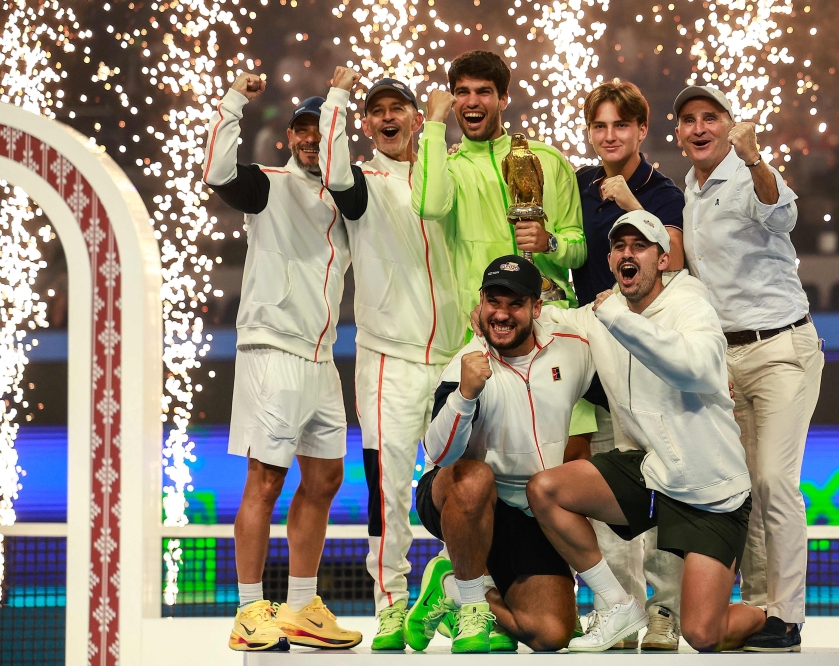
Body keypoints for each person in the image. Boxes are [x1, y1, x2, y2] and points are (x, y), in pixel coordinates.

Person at [526, 210, 765, 653]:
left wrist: (617, 317)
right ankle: (617, 604)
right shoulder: (605, 310)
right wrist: (497, 315)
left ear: (663, 258)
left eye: (639, 246)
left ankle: (771, 618)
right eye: (619, 247)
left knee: (702, 634)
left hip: (709, 487)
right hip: (648, 470)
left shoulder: (689, 302)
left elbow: (697, 369)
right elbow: (549, 324)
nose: (627, 254)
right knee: (545, 489)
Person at [202, 73, 361, 652]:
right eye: (302, 131)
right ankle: (248, 610)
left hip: (322, 357)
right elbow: (217, 172)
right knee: (265, 478)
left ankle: (298, 608)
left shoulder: (348, 200)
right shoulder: (269, 186)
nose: (311, 141)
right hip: (273, 348)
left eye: (322, 133)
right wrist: (234, 102)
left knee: (325, 477)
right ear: (290, 138)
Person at [316, 67, 464, 650]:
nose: (385, 117)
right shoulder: (360, 182)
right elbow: (330, 171)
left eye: (395, 107)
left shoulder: (445, 170)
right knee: (389, 486)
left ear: (412, 113)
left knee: (463, 484)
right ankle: (392, 601)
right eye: (374, 111)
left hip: (456, 355)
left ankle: (459, 596)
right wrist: (337, 97)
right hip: (389, 361)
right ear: (367, 124)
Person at [673, 85, 823, 652]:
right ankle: (761, 608)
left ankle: (787, 614)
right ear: (679, 132)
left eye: (710, 117)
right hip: (728, 359)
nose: (699, 127)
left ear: (730, 125)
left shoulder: (749, 171)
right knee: (749, 490)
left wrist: (757, 156)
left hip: (782, 348)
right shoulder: (691, 186)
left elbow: (783, 215)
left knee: (774, 481)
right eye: (689, 119)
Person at [404, 256, 596, 653]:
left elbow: (617, 368)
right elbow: (437, 452)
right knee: (475, 478)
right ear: (481, 303)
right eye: (494, 302)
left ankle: (453, 584)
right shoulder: (465, 364)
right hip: (459, 496)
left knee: (552, 633)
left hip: (527, 510)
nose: (502, 314)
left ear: (536, 307)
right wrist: (465, 395)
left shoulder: (573, 349)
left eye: (515, 304)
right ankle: (474, 605)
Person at [573, 79, 687, 651]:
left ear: (642, 131)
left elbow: (677, 260)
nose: (610, 135)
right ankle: (620, 611)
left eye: (622, 125)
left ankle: (666, 613)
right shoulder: (577, 186)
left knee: (665, 490)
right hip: (597, 367)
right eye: (600, 125)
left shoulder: (662, 192)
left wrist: (628, 204)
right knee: (606, 497)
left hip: (656, 365)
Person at [410, 49, 587, 321]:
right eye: (462, 92)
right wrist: (433, 123)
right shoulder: (449, 169)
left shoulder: (548, 159)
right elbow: (429, 207)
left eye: (483, 92)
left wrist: (549, 242)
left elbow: (579, 249)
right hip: (486, 325)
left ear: (503, 99)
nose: (471, 102)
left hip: (551, 317)